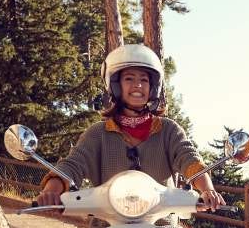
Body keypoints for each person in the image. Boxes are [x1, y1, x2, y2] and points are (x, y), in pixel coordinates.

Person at [36, 44, 223, 211]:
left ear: (153, 87)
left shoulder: (169, 130)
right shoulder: (98, 134)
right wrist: (51, 191)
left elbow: (190, 160)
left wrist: (208, 190)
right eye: (129, 79)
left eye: (144, 80)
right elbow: (72, 165)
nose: (138, 85)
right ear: (116, 86)